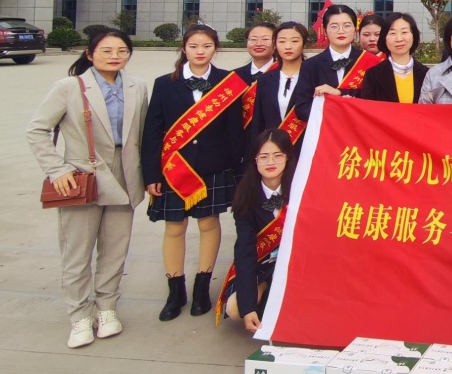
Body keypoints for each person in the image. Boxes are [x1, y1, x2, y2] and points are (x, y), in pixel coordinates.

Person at [26, 28, 149, 349]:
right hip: (82, 179)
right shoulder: (69, 87)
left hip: (125, 178)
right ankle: (80, 315)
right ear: (90, 54)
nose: (114, 56)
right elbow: (37, 130)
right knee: (77, 253)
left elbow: (143, 135)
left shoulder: (137, 87)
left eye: (121, 51)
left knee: (115, 250)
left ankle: (106, 309)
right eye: (106, 51)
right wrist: (57, 169)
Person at [141, 24, 244, 321]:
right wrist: (152, 174)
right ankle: (175, 291)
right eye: (194, 46)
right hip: (174, 171)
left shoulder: (228, 82)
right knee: (174, 227)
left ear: (216, 48)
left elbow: (235, 131)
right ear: (184, 48)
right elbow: (153, 132)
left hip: (214, 168)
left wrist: (232, 168)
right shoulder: (164, 84)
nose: (200, 52)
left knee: (209, 224)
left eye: (207, 46)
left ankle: (202, 288)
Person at [220, 130, 297, 332]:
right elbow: (245, 251)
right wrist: (248, 308)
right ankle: (265, 294)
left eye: (277, 155)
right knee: (235, 309)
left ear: (288, 157)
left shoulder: (301, 188)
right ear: (254, 160)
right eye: (263, 157)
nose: (270, 162)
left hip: (296, 264)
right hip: (264, 265)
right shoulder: (245, 196)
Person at [291, 4, 375, 120]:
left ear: (355, 30)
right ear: (325, 31)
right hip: (326, 129)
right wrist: (336, 111)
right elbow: (302, 109)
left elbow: (377, 102)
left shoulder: (371, 62)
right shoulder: (310, 65)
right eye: (334, 26)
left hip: (360, 128)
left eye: (347, 26)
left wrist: (339, 93)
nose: (341, 31)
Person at [250, 21, 309, 148]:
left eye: (294, 41)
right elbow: (258, 122)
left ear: (304, 44)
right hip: (274, 152)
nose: (288, 46)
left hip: (307, 148)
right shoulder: (265, 80)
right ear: (275, 44)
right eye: (282, 41)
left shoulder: (315, 77)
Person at [357, 12, 428, 103]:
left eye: (404, 32)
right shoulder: (372, 75)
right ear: (384, 38)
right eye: (392, 33)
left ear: (413, 36)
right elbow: (367, 108)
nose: (399, 39)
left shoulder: (427, 74)